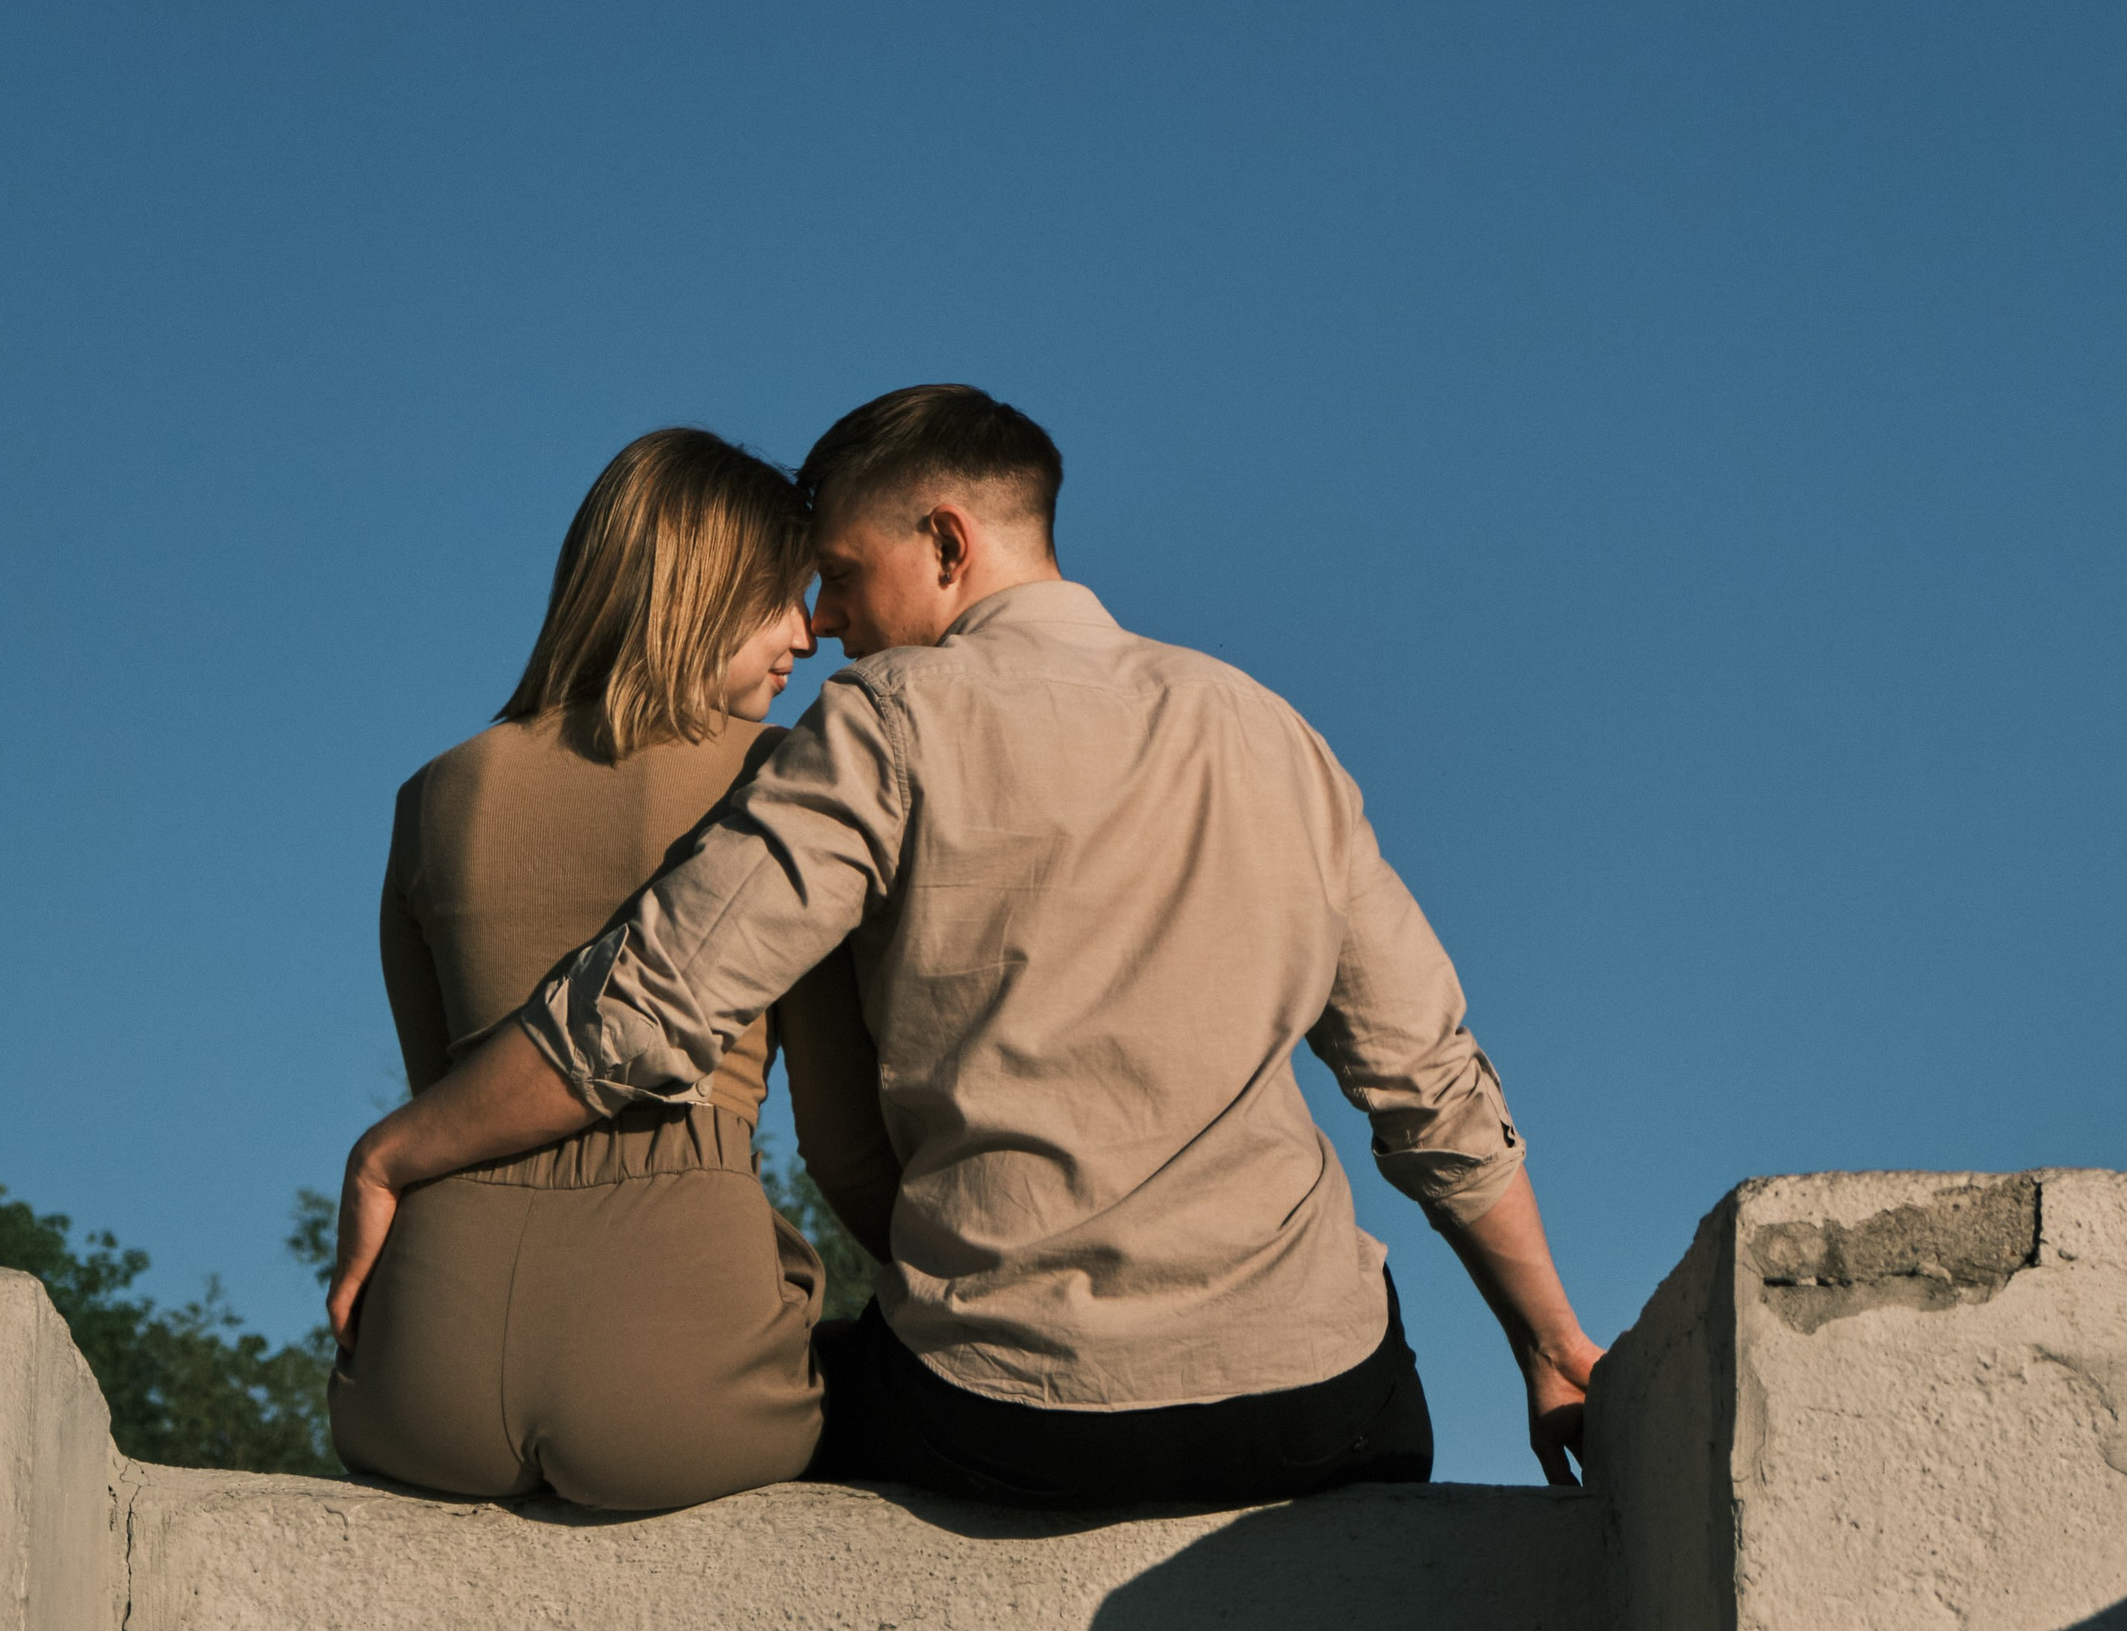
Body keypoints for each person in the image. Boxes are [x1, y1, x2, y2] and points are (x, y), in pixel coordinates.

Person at [329, 387, 1603, 1507]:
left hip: (1010, 1413)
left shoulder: (884, 722)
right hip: (1314, 1401)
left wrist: (405, 1142)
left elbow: (654, 1002)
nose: (822, 619)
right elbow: (1425, 1076)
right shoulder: (1268, 729)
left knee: (770, 1386)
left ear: (945, 540)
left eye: (837, 570)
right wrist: (1546, 1338)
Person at [330, 428, 897, 1512]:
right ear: (700, 590)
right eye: (783, 595)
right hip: (677, 1378)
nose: (807, 633)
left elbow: (446, 1101)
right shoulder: (782, 781)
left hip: (424, 1379)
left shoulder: (434, 795)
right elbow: (840, 1143)